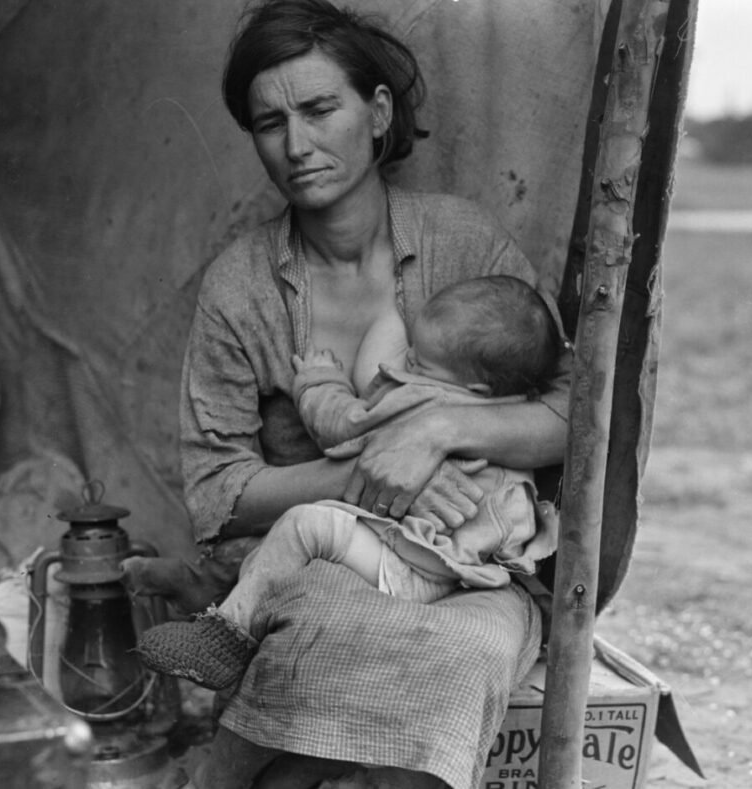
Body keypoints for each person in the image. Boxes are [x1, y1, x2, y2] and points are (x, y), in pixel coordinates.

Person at [134, 1, 573, 786]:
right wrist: (370, 470)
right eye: (270, 123)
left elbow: (575, 416)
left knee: (463, 659)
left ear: (376, 114)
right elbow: (216, 493)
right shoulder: (243, 285)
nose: (297, 145)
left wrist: (435, 431)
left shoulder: (464, 244)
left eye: (319, 108)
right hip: (333, 563)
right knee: (320, 642)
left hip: (476, 570)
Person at [138, 275, 563, 691]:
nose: (405, 361)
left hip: (417, 567)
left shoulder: (425, 399)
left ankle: (224, 640)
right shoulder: (511, 409)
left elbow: (343, 425)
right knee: (287, 550)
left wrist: (319, 380)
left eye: (417, 361)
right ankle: (213, 592)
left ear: (473, 386)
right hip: (459, 562)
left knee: (304, 526)